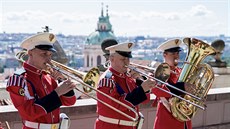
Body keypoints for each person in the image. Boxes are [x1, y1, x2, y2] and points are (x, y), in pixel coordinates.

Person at [6, 33, 77, 129]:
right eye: (44, 54)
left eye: (50, 55)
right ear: (30, 53)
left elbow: (70, 102)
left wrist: (62, 79)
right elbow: (28, 113)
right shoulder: (19, 79)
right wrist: (58, 92)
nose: (49, 59)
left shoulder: (48, 77)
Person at [94, 42, 156, 129]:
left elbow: (145, 100)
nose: (127, 63)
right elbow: (118, 105)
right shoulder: (107, 80)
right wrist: (141, 89)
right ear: (112, 58)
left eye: (128, 59)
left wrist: (141, 82)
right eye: (123, 59)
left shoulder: (129, 78)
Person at [152, 38, 194, 129]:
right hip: (167, 122)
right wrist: (182, 87)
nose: (176, 57)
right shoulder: (159, 73)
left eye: (177, 53)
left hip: (184, 121)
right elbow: (158, 90)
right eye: (173, 54)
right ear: (165, 55)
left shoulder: (181, 71)